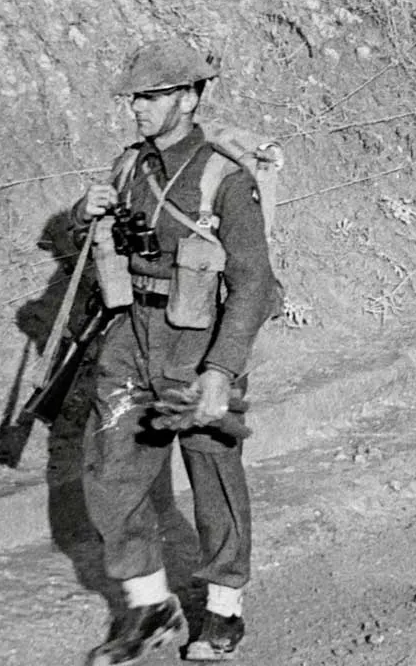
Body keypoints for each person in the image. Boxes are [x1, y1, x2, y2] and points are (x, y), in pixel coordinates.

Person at [73, 39, 278, 665]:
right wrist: (87, 215)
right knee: (111, 471)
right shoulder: (129, 168)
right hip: (129, 337)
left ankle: (223, 607)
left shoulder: (224, 177)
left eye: (151, 96)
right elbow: (109, 246)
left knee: (212, 475)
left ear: (188, 99)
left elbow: (254, 284)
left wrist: (221, 369)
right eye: (134, 97)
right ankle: (150, 606)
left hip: (198, 341)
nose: (136, 107)